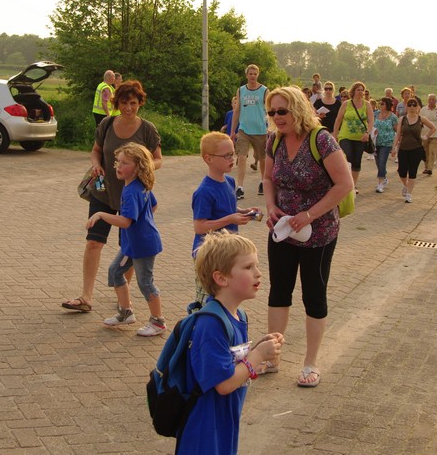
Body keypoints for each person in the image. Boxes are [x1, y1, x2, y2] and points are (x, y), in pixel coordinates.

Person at [262, 86, 353, 387]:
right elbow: (267, 178)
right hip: (283, 229)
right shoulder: (274, 140)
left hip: (319, 233)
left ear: (298, 109)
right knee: (279, 291)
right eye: (272, 112)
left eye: (282, 111)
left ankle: (310, 363)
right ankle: (272, 357)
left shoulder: (321, 140)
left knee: (313, 294)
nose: (276, 117)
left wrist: (310, 215)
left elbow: (344, 184)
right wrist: (271, 206)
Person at [178, 232, 284, 454]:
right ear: (222, 278)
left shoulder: (238, 315)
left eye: (256, 265)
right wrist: (257, 355)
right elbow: (224, 384)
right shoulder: (211, 324)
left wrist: (261, 350)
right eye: (248, 267)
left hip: (225, 418)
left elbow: (235, 363)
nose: (258, 273)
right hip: (205, 427)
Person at [63, 80, 163, 314]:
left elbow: (158, 159)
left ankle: (123, 298)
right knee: (94, 242)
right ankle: (86, 297)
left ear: (140, 103)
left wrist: (142, 169)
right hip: (104, 191)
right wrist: (96, 164)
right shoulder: (107, 124)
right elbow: (96, 150)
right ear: (117, 103)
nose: (128, 108)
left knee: (129, 247)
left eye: (133, 103)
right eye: (124, 103)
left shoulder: (147, 129)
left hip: (132, 194)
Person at [87, 143, 166, 336]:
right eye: (117, 162)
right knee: (115, 272)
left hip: (142, 245)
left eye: (124, 163)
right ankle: (125, 312)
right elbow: (153, 206)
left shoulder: (131, 191)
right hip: (133, 244)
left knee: (145, 282)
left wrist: (101, 214)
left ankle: (158, 322)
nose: (118, 166)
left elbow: (125, 221)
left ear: (138, 167)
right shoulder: (139, 184)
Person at [191, 132, 257, 307]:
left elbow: (226, 207)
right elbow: (200, 227)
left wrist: (244, 212)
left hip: (228, 251)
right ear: (209, 158)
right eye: (226, 156)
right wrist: (231, 219)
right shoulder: (204, 192)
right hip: (209, 254)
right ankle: (201, 322)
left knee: (227, 295)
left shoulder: (229, 181)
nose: (232, 159)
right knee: (207, 299)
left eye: (233, 153)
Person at [230, 64, 269, 201]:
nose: (253, 76)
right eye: (250, 73)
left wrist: (270, 128)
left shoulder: (264, 90)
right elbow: (237, 111)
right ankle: (240, 187)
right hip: (244, 129)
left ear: (258, 75)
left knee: (262, 158)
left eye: (255, 73)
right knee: (241, 156)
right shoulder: (241, 90)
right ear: (246, 75)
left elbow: (269, 110)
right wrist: (233, 131)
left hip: (260, 130)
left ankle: (263, 182)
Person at [391, 97, 436, 203]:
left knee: (412, 171)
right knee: (402, 172)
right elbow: (398, 134)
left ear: (418, 107)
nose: (412, 107)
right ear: (406, 107)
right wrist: (394, 147)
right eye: (410, 105)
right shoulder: (402, 119)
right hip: (403, 148)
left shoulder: (421, 119)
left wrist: (426, 136)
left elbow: (433, 127)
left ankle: (409, 194)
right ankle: (406, 185)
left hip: (416, 149)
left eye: (414, 105)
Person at [332, 82, 373, 194]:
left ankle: (353, 185)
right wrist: (335, 135)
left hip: (360, 138)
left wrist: (367, 133)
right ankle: (345, 182)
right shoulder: (346, 104)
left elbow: (371, 121)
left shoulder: (367, 105)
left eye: (362, 90)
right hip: (345, 136)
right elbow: (338, 120)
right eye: (358, 89)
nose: (360, 92)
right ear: (353, 91)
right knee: (348, 156)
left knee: (357, 161)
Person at [373, 97, 399, 193]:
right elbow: (370, 124)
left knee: (382, 161)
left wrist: (394, 146)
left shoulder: (393, 117)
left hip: (387, 143)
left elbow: (397, 131)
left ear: (387, 105)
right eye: (380, 103)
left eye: (382, 103)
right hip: (376, 142)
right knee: (378, 162)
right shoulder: (375, 114)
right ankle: (384, 177)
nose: (380, 105)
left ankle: (380, 183)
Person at [420, 93, 437, 176]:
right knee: (425, 152)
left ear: (436, 101)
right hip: (425, 134)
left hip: (435, 134)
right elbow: (420, 122)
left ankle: (430, 168)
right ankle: (426, 167)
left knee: (432, 151)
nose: (431, 101)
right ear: (428, 100)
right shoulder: (423, 110)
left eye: (433, 99)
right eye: (430, 99)